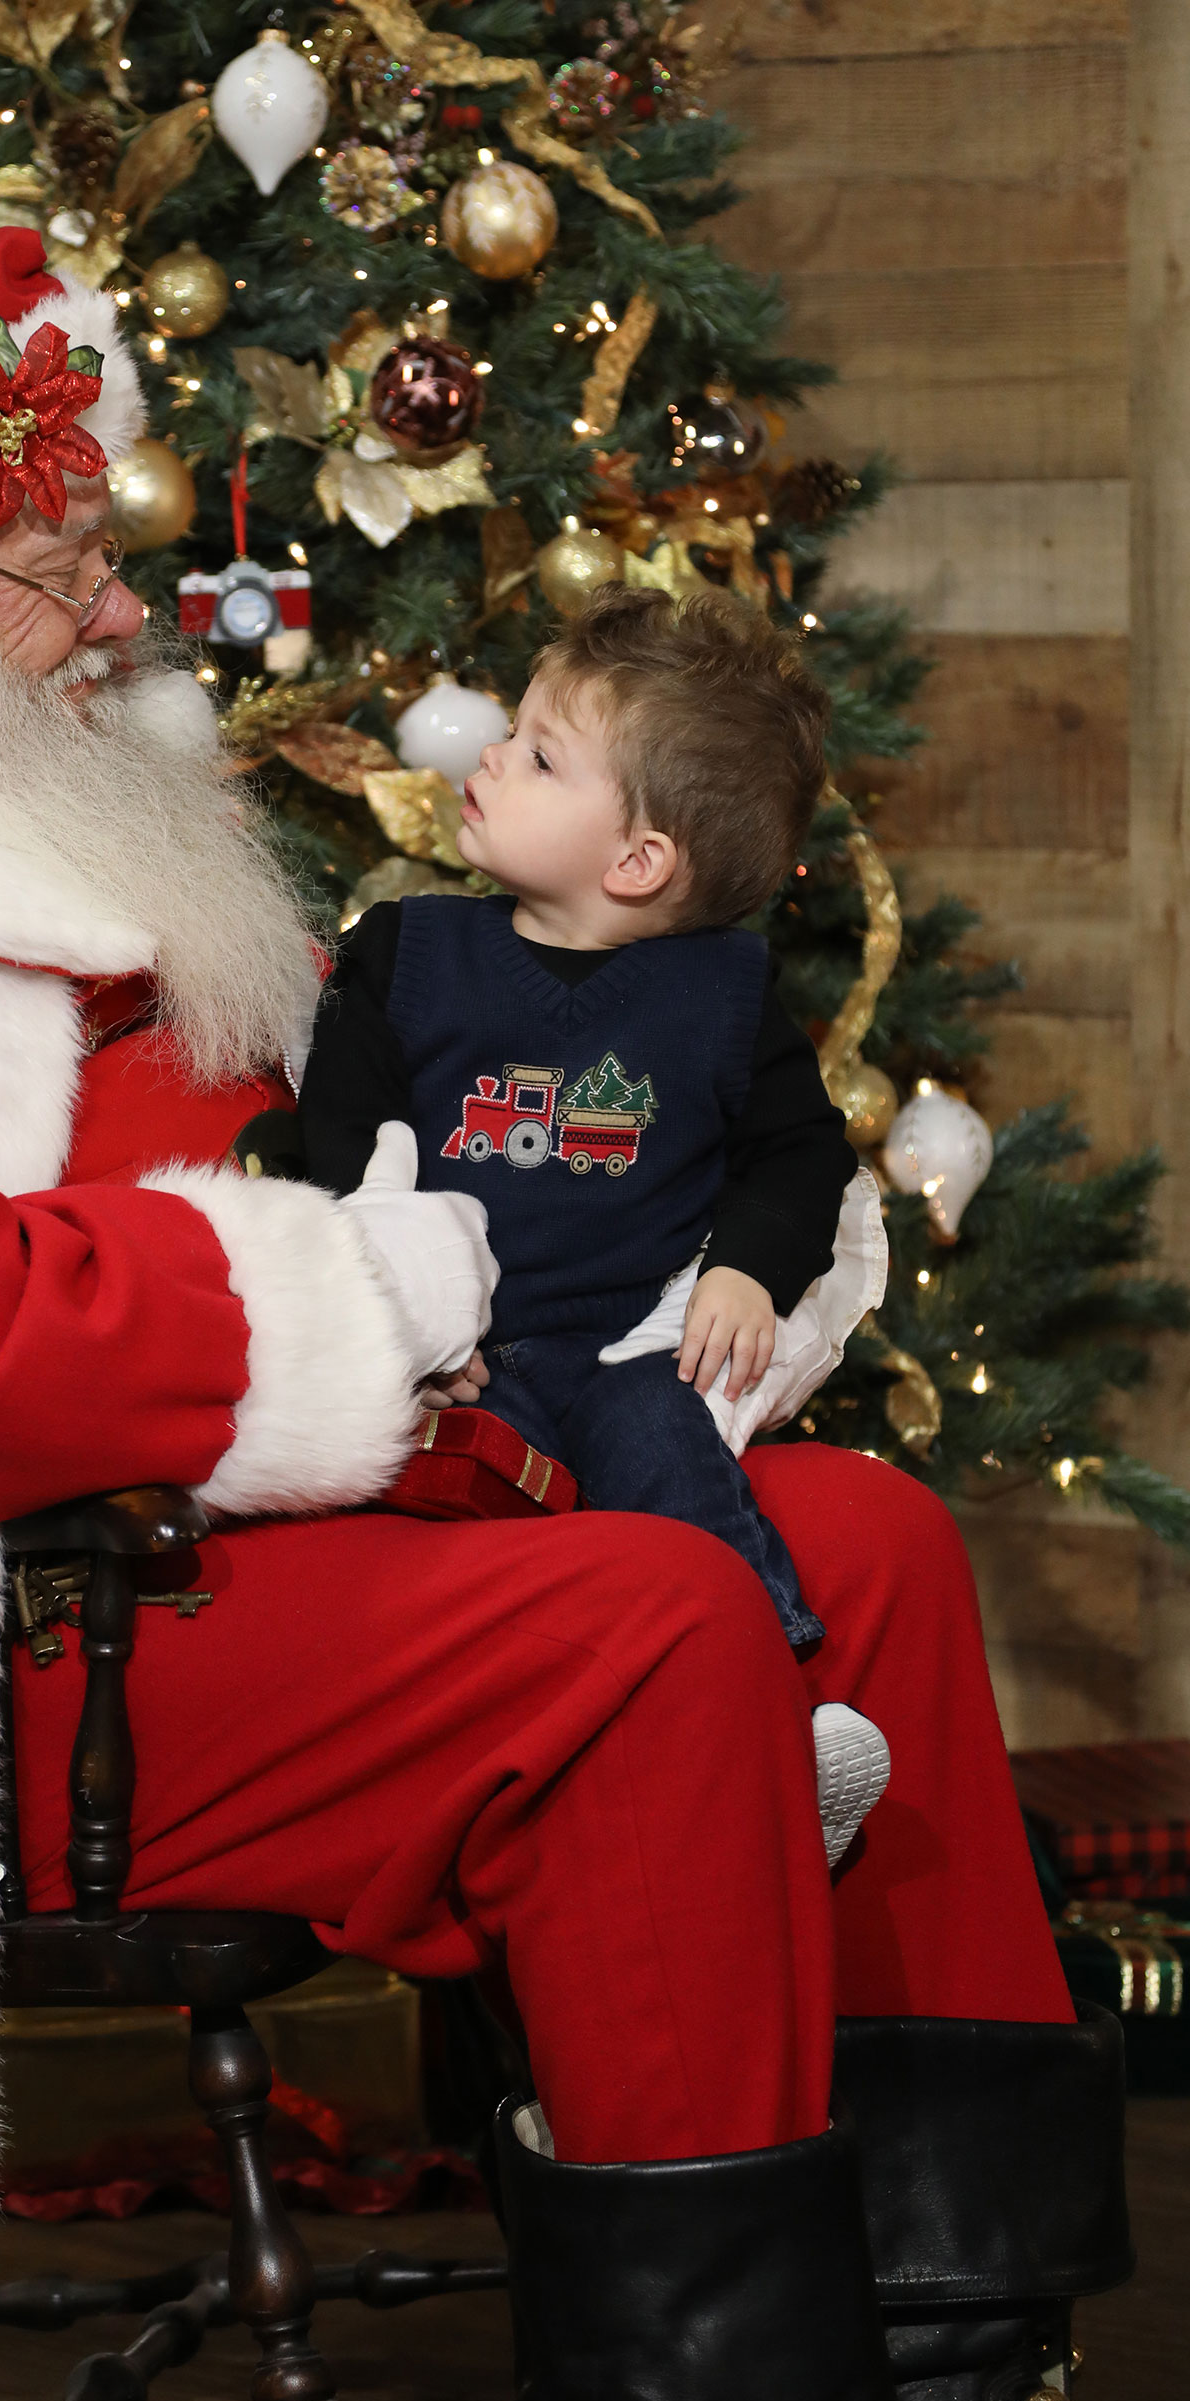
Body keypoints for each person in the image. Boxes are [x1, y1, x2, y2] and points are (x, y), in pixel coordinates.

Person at [0, 229, 1128, 2401]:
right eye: (61, 568)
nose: (125, 614)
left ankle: (948, 2351)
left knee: (872, 1550)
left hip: (210, 1509)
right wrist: (357, 1295)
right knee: (644, 1633)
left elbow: (251, 1149)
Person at [297, 587, 892, 1860]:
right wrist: (393, 1314)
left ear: (638, 862)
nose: (489, 757)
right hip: (470, 1353)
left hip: (625, 1346)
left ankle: (773, 1723)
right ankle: (515, 1747)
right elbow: (341, 1148)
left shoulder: (719, 998)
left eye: (540, 754)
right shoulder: (407, 954)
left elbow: (801, 1158)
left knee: (669, 1460)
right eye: (511, 731)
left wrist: (745, 1266)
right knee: (460, 1496)